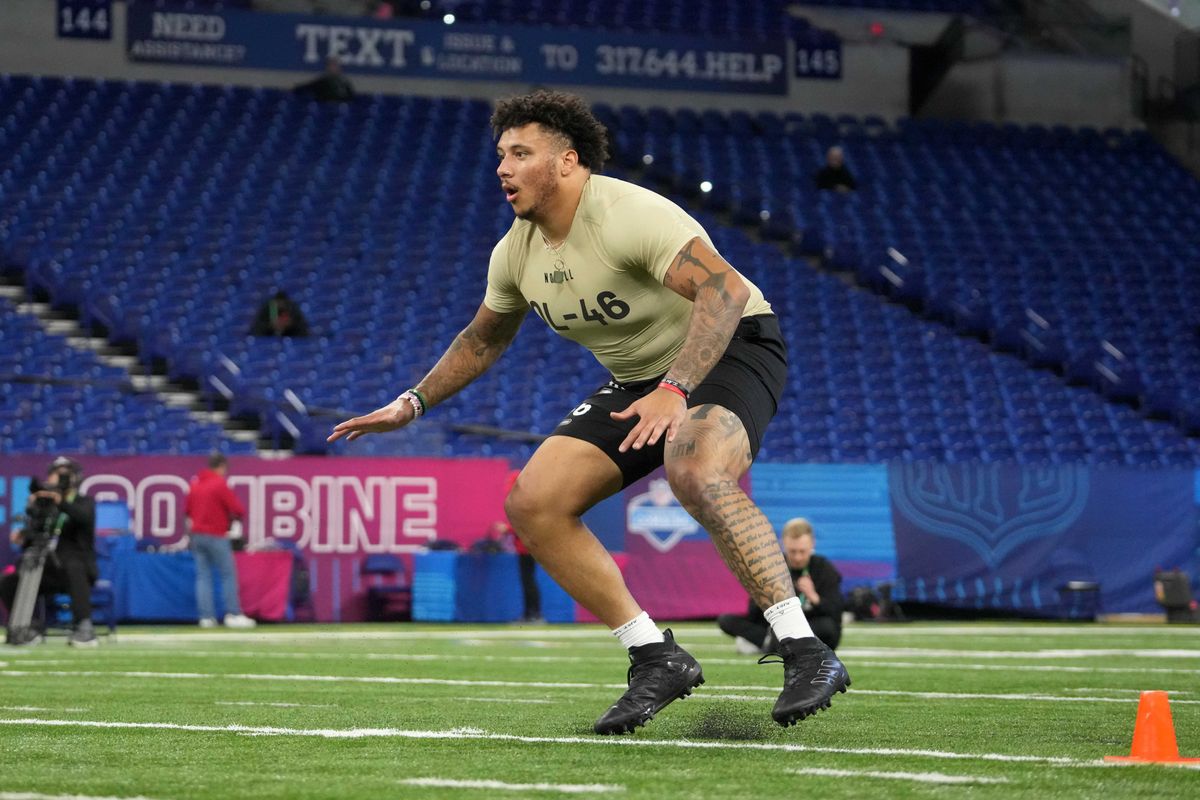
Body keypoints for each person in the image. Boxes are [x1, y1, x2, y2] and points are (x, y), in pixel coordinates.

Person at [329, 89, 850, 733]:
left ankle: (805, 646)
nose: (503, 168)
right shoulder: (515, 252)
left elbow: (725, 288)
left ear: (569, 161)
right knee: (533, 502)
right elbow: (484, 337)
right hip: (639, 378)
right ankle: (654, 655)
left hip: (729, 346)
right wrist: (411, 403)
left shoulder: (628, 214)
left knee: (693, 468)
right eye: (501, 155)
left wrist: (677, 388)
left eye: (522, 153)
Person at [1, 457, 98, 647]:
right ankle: (25, 627)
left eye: (65, 474)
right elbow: (33, 538)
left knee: (74, 566)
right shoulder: (43, 504)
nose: (60, 478)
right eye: (56, 474)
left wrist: (61, 501)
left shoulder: (84, 502)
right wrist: (25, 529)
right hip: (47, 569)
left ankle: (84, 626)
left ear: (75, 477)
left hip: (77, 570)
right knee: (8, 580)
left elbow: (83, 519)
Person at [718, 518, 843, 653]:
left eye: (802, 551)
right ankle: (775, 644)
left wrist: (813, 596)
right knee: (726, 620)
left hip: (809, 626)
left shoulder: (823, 568)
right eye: (792, 551)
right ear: (783, 543)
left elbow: (836, 612)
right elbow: (753, 613)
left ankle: (772, 645)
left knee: (827, 627)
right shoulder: (773, 566)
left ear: (812, 544)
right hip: (777, 627)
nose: (797, 557)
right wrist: (767, 595)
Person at [184, 453, 256, 629]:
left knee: (203, 576)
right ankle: (233, 613)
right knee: (227, 574)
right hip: (216, 534)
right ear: (222, 466)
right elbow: (238, 509)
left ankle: (206, 617)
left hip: (197, 535)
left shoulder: (195, 484)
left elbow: (186, 510)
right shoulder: (219, 484)